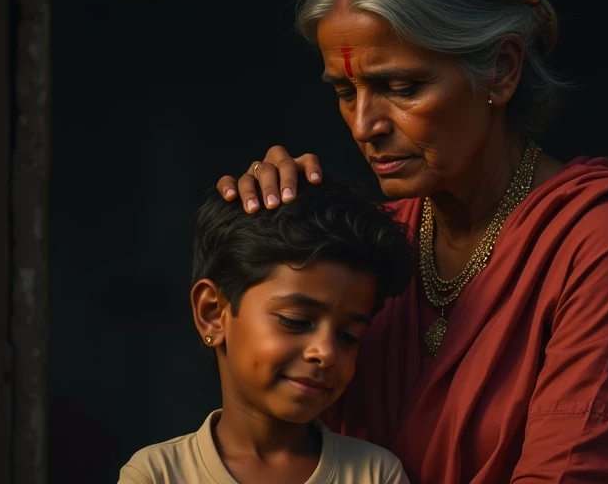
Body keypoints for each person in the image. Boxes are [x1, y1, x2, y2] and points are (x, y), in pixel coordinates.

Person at [214, 0, 608, 484]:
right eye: (345, 91)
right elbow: (271, 453)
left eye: (401, 87)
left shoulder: (602, 242)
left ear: (502, 68)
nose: (364, 125)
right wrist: (266, 248)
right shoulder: (370, 246)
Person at [118, 179, 414, 484]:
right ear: (212, 313)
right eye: (296, 320)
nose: (325, 353)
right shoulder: (156, 475)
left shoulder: (376, 475)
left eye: (348, 336)